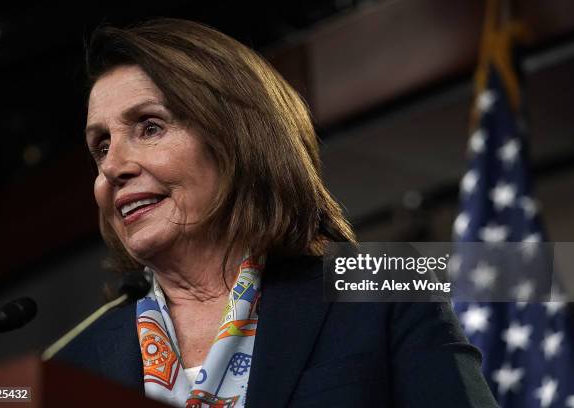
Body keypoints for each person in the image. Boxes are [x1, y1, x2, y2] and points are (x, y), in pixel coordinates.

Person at [54, 18, 498, 407]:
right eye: (101, 147)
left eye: (150, 127)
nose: (112, 167)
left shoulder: (382, 291)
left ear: (237, 139)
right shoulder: (70, 366)